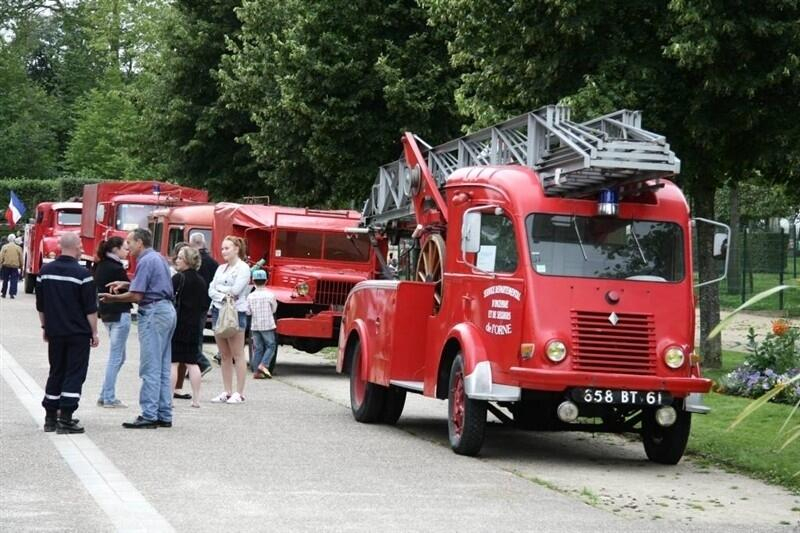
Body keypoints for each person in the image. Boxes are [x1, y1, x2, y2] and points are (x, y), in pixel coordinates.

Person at [99, 228, 177, 429]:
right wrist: (126, 283)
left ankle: (149, 414)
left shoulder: (144, 261)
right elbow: (147, 285)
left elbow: (138, 296)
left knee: (150, 366)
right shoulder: (157, 258)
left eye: (130, 242)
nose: (128, 245)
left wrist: (112, 298)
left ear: (140, 242)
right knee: (162, 365)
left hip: (153, 313)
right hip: (166, 310)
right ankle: (164, 413)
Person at [36, 232, 99, 434]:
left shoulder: (45, 271)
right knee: (74, 372)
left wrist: (45, 327)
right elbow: (90, 308)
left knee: (56, 371)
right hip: (77, 333)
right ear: (74, 247)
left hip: (55, 331)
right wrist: (94, 332)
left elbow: (41, 305)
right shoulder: (83, 275)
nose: (82, 249)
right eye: (81, 246)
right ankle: (66, 417)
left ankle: (50, 418)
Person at [208, 235, 251, 403]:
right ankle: (226, 390)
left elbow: (236, 290)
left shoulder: (243, 268)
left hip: (235, 312)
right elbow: (211, 289)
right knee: (224, 354)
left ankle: (239, 393)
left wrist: (220, 290)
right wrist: (221, 294)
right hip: (218, 310)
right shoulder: (220, 268)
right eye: (222, 248)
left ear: (236, 249)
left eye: (227, 248)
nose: (223, 251)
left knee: (238, 353)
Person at [94, 237, 132, 408]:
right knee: (116, 357)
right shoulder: (116, 268)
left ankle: (105, 393)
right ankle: (108, 396)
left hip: (107, 313)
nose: (127, 251)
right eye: (125, 248)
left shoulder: (100, 265)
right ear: (115, 249)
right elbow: (131, 288)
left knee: (119, 356)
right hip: (119, 312)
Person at [170, 246, 208, 408]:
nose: (176, 260)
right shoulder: (201, 281)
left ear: (186, 260)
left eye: (179, 257)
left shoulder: (178, 278)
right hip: (194, 325)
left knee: (174, 363)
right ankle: (196, 399)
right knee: (192, 363)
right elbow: (205, 304)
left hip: (178, 324)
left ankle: (169, 398)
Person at [190, 232, 217, 374]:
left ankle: (201, 363)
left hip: (192, 303)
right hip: (206, 303)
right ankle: (195, 364)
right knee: (198, 334)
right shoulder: (213, 263)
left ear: (192, 243)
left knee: (192, 335)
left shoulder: (193, 262)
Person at [247, 269, 277, 379]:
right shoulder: (270, 295)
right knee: (271, 346)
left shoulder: (250, 296)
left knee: (258, 348)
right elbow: (274, 310)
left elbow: (248, 312)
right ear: (266, 281)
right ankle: (263, 365)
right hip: (268, 324)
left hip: (255, 325)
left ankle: (256, 372)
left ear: (253, 281)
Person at [1, 233, 23, 299]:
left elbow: (1, 256)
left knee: (5, 279)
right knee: (14, 280)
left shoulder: (4, 247)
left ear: (8, 239)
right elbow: (21, 258)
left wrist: (1, 263)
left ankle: (4, 293)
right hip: (15, 266)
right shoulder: (18, 248)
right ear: (14, 239)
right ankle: (12, 293)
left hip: (6, 265)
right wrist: (21, 265)